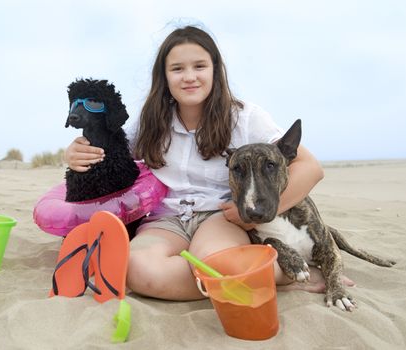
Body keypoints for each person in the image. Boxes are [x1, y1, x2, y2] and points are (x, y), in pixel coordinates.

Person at [65, 25, 348, 300]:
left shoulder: (245, 117)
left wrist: (254, 210)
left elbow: (310, 168)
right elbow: (110, 153)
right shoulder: (149, 120)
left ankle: (284, 273)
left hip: (219, 217)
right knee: (138, 270)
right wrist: (75, 152)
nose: (189, 77)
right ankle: (248, 277)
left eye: (199, 66)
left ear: (215, 70)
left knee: (219, 265)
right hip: (166, 220)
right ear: (164, 77)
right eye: (177, 69)